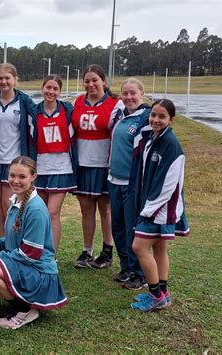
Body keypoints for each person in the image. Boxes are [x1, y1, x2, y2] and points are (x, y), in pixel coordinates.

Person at [0, 156, 68, 330]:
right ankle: (21, 299)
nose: (15, 181)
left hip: (39, 272)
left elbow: (31, 254)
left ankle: (24, 309)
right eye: (12, 175)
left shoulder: (35, 209)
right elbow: (14, 242)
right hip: (23, 263)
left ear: (33, 177)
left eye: (22, 177)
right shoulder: (17, 200)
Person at [130, 99, 190, 312]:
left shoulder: (171, 145)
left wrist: (148, 209)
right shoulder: (153, 138)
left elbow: (168, 184)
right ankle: (163, 292)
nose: (155, 119)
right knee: (159, 247)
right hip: (154, 205)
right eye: (153, 114)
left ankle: (156, 296)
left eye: (162, 116)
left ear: (171, 120)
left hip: (161, 208)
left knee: (139, 247)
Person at [71, 64, 123, 269]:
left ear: (104, 81)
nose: (91, 84)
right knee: (86, 209)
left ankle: (107, 251)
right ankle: (87, 251)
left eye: (95, 80)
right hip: (83, 163)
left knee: (105, 208)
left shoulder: (114, 104)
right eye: (87, 81)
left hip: (105, 164)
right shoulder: (77, 102)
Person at [0, 63, 35, 236]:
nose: (4, 82)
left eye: (7, 78)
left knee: (9, 203)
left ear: (15, 79)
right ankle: (1, 242)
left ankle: (12, 241)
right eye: (0, 78)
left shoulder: (24, 101)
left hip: (14, 161)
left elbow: (38, 119)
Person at [108, 78, 150, 289]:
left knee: (132, 227)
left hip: (132, 183)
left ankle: (139, 272)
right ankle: (126, 266)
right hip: (114, 179)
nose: (129, 97)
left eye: (133, 93)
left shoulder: (146, 117)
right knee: (118, 226)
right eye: (125, 93)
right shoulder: (120, 114)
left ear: (141, 94)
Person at [29, 75, 77, 254]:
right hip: (41, 166)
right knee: (40, 213)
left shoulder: (67, 110)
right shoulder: (34, 111)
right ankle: (38, 251)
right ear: (43, 88)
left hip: (61, 167)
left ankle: (52, 254)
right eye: (48, 87)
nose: (51, 92)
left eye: (55, 89)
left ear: (60, 91)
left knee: (52, 212)